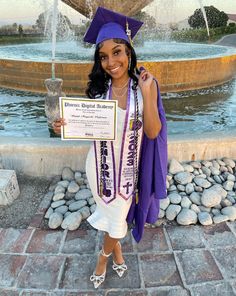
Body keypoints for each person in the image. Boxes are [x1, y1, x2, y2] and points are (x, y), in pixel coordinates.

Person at [53, 6, 168, 289]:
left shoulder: (144, 86)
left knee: (118, 218)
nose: (110, 61)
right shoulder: (98, 91)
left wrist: (147, 94)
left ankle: (102, 258)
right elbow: (87, 127)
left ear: (129, 52)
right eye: (103, 56)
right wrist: (63, 126)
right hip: (99, 167)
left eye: (117, 52)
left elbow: (153, 131)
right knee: (112, 217)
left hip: (127, 172)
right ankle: (116, 251)